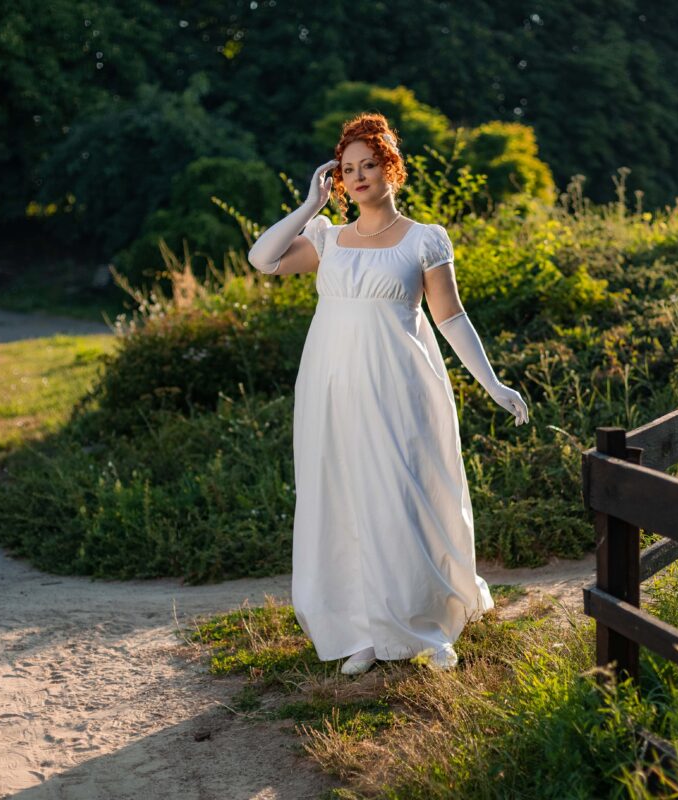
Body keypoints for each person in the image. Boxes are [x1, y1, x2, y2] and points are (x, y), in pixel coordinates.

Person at [247, 113, 529, 675]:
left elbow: (450, 318)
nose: (357, 176)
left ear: (390, 167)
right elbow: (263, 258)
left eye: (368, 165)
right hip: (331, 389)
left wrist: (491, 381)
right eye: (347, 168)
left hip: (401, 385)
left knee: (406, 496)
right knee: (343, 501)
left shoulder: (425, 239)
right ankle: (360, 630)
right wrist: (310, 207)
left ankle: (426, 628)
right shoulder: (327, 240)